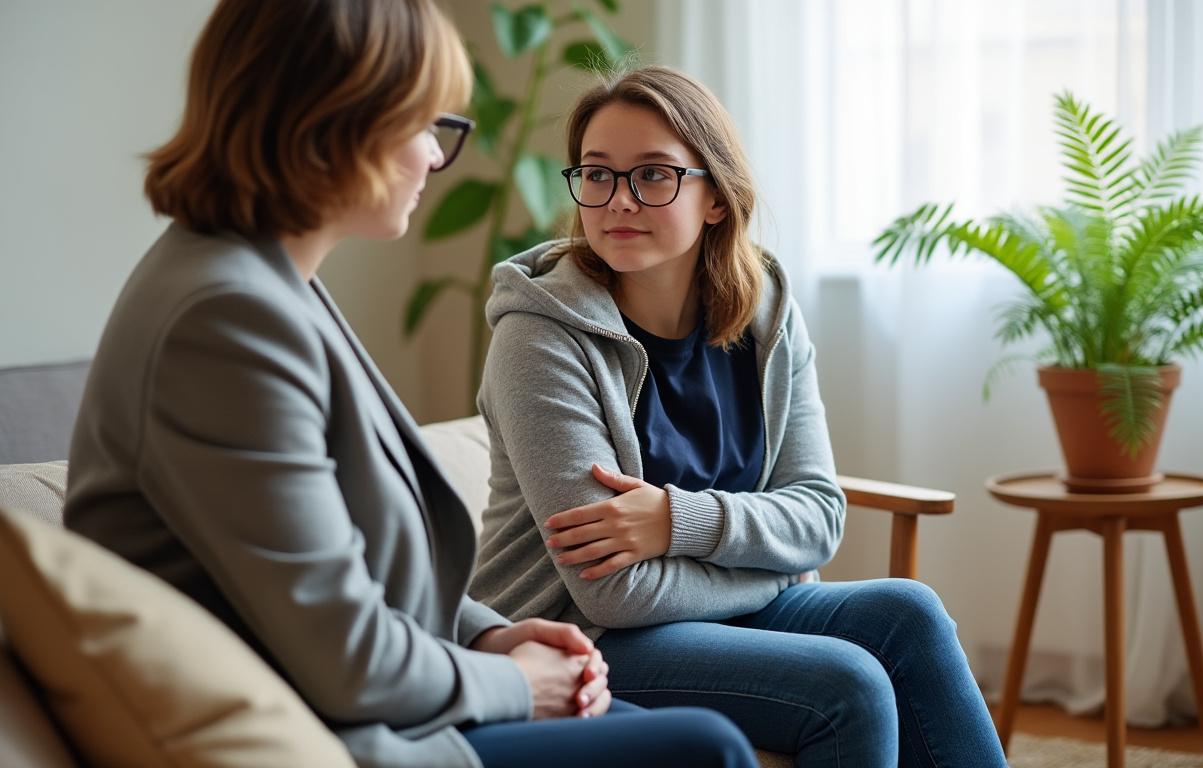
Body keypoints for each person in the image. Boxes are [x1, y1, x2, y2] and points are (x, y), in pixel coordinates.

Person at [62, 4, 756, 767]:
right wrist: (514, 681)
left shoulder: (263, 285)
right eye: (424, 125)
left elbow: (342, 574)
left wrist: (488, 632)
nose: (433, 156)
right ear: (340, 122)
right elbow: (347, 657)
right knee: (709, 746)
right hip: (334, 736)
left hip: (381, 705)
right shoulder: (225, 321)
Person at [470, 65, 1010, 767]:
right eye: (597, 175)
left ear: (717, 198)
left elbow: (818, 513)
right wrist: (777, 565)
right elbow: (614, 593)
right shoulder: (540, 336)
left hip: (713, 606)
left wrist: (678, 521)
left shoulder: (767, 312)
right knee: (847, 683)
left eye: (654, 175)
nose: (618, 201)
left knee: (910, 611)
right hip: (579, 635)